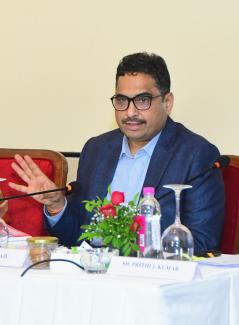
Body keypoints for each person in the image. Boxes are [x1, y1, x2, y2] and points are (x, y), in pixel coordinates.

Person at [8, 52, 224, 252]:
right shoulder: (96, 150)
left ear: (167, 102)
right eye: (121, 100)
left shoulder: (196, 155)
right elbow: (76, 238)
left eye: (142, 100)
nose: (130, 112)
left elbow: (202, 241)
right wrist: (57, 206)